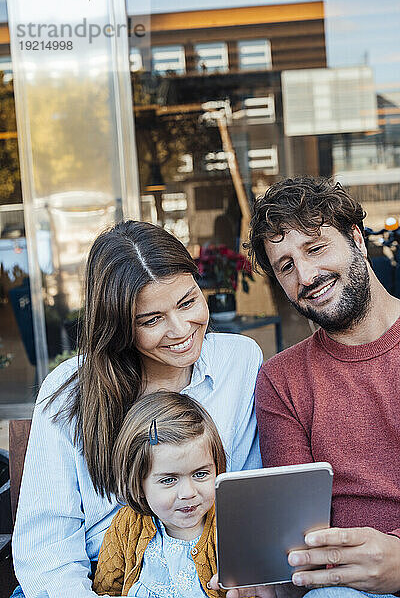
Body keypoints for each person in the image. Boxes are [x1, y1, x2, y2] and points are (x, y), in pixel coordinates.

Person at [12, 220, 263, 598]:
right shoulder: (71, 392)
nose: (181, 329)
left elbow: (246, 489)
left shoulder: (238, 361)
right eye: (151, 319)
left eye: (188, 302)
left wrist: (244, 573)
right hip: (98, 581)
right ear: (118, 325)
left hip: (206, 570)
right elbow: (48, 547)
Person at [210, 176, 400, 598]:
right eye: (286, 266)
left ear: (356, 238)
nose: (307, 275)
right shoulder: (281, 381)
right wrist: (267, 583)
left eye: (315, 248)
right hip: (338, 586)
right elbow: (294, 535)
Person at [93, 390, 226, 597]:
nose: (188, 493)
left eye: (200, 474)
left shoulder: (228, 526)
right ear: (138, 484)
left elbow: (251, 588)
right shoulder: (126, 526)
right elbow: (107, 589)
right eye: (169, 480)